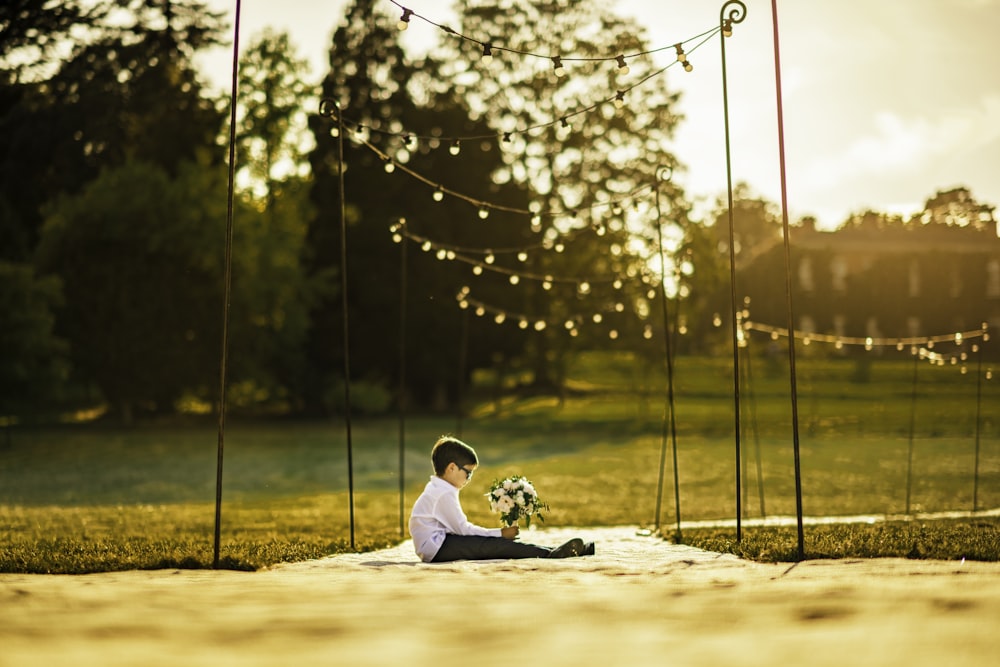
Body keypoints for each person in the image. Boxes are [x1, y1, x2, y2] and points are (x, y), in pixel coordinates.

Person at [408, 435, 594, 563]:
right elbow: (464, 529)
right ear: (451, 468)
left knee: (494, 546)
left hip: (440, 544)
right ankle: (551, 554)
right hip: (438, 548)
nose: (468, 479)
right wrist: (500, 533)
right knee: (495, 546)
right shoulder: (443, 493)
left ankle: (553, 551)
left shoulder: (439, 488)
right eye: (468, 473)